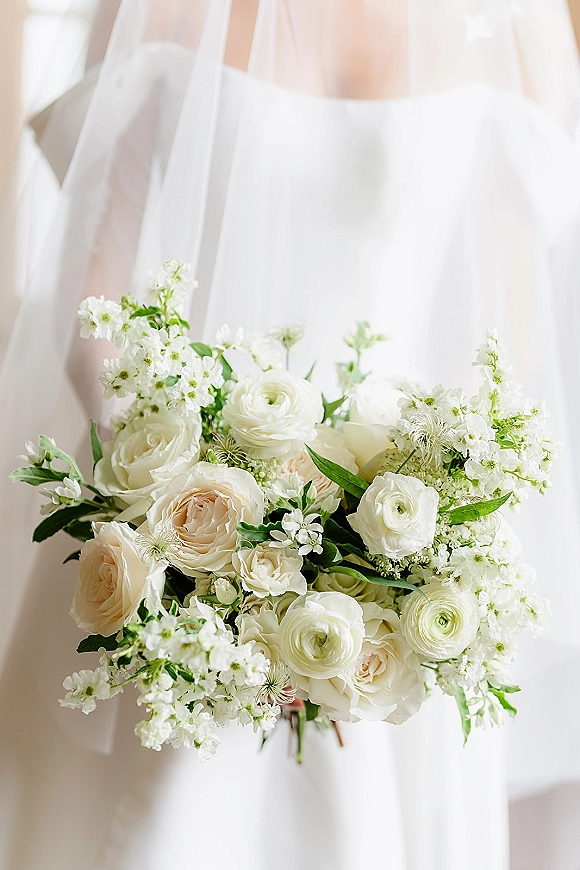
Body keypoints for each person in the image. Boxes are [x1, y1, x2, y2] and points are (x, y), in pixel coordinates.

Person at [1, 2, 580, 868]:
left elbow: (510, 333)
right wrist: (192, 527)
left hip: (406, 528)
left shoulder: (493, 29)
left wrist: (422, 535)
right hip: (184, 515)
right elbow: (97, 310)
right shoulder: (161, 11)